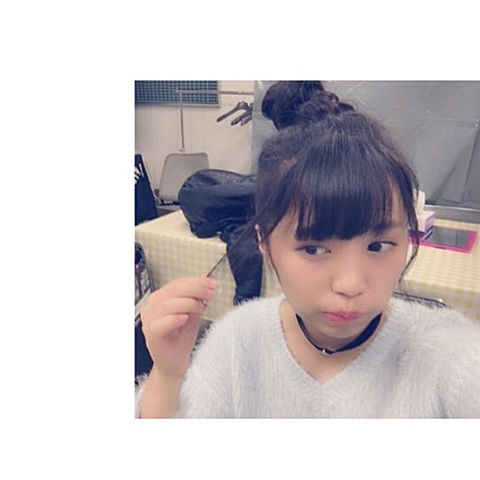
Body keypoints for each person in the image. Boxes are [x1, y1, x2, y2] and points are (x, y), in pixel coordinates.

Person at [136, 81, 480, 418]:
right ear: (264, 243)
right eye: (314, 249)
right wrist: (167, 375)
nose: (350, 285)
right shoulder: (237, 343)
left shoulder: (446, 356)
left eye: (378, 245)